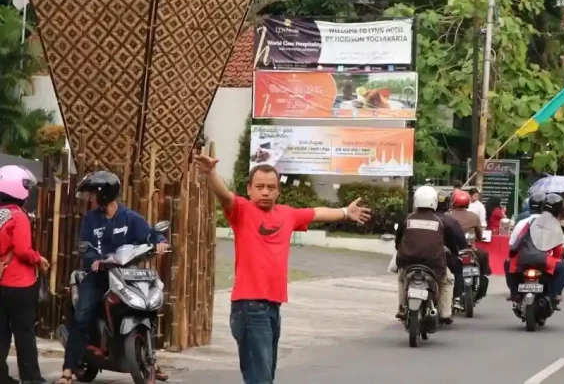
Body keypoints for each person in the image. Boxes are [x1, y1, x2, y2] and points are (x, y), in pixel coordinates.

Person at [194, 156, 370, 384]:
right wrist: (211, 174)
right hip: (249, 306)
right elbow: (224, 196)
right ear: (249, 189)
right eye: (259, 187)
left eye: (271, 187)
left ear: (278, 191)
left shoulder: (287, 214)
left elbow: (316, 212)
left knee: (266, 375)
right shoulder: (242, 211)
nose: (265, 192)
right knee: (260, 379)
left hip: (273, 308)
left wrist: (346, 212)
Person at [58, 171, 169, 384]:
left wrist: (160, 241)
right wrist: (94, 260)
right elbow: (85, 246)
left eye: (92, 194)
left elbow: (150, 235)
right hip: (98, 276)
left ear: (104, 194)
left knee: (149, 308)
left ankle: (150, 360)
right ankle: (68, 370)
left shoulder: (130, 218)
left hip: (126, 275)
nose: (90, 198)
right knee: (82, 317)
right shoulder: (91, 219)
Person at [0, 165, 47, 384]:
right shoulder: (18, 217)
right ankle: (31, 377)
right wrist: (40, 259)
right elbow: (22, 251)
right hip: (19, 284)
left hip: (0, 282)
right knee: (24, 334)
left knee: (1, 334)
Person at [395, 186, 461, 325]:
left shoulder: (407, 219)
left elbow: (398, 240)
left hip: (408, 262)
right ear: (434, 202)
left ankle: (402, 308)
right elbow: (451, 245)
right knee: (447, 281)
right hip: (434, 263)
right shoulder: (441, 222)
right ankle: (445, 313)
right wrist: (454, 253)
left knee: (402, 279)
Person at [506, 194, 564, 306]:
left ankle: (515, 293)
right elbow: (558, 250)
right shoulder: (554, 224)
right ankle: (551, 297)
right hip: (543, 260)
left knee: (508, 263)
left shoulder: (527, 222)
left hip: (522, 259)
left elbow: (515, 243)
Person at [447, 190, 491, 289]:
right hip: (470, 249)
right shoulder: (473, 216)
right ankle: (482, 276)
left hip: (453, 251)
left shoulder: (448, 216)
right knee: (484, 255)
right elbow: (479, 234)